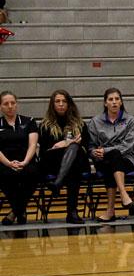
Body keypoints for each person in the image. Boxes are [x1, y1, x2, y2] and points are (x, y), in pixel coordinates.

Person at [86, 88, 134, 223]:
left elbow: (128, 146)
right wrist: (93, 152)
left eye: (117, 99)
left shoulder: (131, 120)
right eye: (111, 99)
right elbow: (90, 145)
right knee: (111, 161)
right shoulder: (95, 121)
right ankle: (123, 194)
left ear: (121, 102)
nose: (114, 102)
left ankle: (110, 210)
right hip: (102, 160)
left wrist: (106, 150)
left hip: (127, 159)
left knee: (114, 156)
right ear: (105, 103)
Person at [38, 90, 89, 224]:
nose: (61, 104)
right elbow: (45, 150)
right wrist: (66, 144)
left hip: (77, 161)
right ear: (52, 105)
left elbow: (85, 147)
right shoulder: (44, 126)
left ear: (69, 104)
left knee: (74, 154)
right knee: (73, 168)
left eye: (64, 101)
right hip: (53, 163)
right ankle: (72, 212)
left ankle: (57, 183)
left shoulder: (80, 124)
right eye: (57, 101)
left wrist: (67, 143)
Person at [0, 91, 38, 225]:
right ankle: (20, 210)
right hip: (5, 162)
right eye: (6, 104)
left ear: (17, 104)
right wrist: (9, 163)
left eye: (13, 103)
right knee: (4, 176)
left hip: (26, 160)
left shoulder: (30, 121)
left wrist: (24, 162)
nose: (10, 106)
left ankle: (15, 211)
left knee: (34, 174)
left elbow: (33, 144)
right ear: (1, 106)